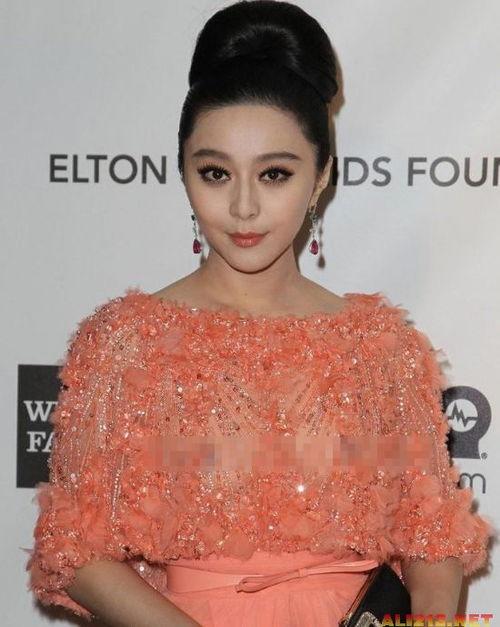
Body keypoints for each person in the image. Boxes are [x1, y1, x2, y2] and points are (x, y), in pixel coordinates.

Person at [24, 1, 494, 625]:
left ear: (321, 177)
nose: (243, 207)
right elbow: (75, 548)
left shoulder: (381, 347)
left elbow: (430, 532)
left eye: (274, 174)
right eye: (215, 172)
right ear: (184, 173)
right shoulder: (124, 342)